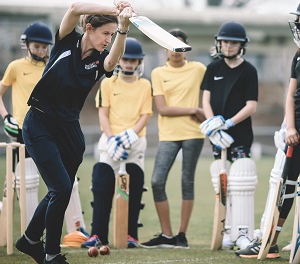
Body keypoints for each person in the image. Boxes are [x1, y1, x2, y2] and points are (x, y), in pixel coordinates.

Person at [15, 0, 134, 264]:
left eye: (112, 35)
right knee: (61, 187)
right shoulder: (66, 39)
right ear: (89, 28)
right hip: (39, 124)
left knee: (61, 190)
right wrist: (116, 9)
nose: (108, 39)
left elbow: (113, 59)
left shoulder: (102, 59)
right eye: (106, 33)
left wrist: (123, 29)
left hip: (70, 129)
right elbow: (74, 7)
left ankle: (30, 239)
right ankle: (52, 255)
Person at [235, 3, 300, 259]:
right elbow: (291, 94)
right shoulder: (298, 54)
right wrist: (290, 125)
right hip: (296, 133)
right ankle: (270, 241)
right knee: (286, 187)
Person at [81, 37, 152, 249]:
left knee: (135, 182)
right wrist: (112, 138)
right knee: (101, 182)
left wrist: (132, 134)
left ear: (139, 62)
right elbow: (103, 114)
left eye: (134, 60)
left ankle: (131, 234)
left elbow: (145, 115)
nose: (129, 64)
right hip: (110, 142)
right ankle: (98, 234)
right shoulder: (107, 82)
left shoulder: (144, 85)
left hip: (135, 141)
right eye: (126, 59)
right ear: (119, 59)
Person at [140, 29, 206, 249]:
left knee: (187, 182)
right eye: (171, 46)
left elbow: (211, 96)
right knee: (157, 181)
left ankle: (181, 236)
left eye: (180, 46)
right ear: (164, 48)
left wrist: (207, 114)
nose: (176, 51)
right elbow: (163, 109)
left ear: (186, 48)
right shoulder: (158, 73)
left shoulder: (199, 69)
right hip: (168, 135)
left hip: (193, 134)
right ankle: (167, 236)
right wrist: (193, 109)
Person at [200, 21, 258, 249]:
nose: (229, 46)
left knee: (240, 180)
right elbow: (205, 99)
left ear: (242, 45)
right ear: (219, 43)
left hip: (240, 135)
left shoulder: (249, 70)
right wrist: (213, 124)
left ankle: (242, 232)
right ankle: (226, 229)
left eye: (233, 42)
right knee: (223, 183)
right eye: (225, 42)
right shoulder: (213, 68)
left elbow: (251, 105)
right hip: (217, 135)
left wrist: (230, 122)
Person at [0, 22, 53, 225]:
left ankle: (32, 223)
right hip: (20, 131)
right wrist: (6, 117)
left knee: (41, 179)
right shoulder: (15, 66)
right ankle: (7, 218)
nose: (41, 50)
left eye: (44, 46)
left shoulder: (50, 67)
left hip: (45, 130)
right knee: (14, 181)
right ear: (27, 44)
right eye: (37, 46)